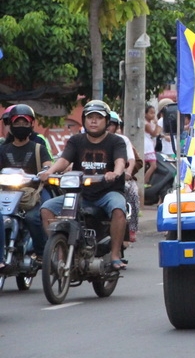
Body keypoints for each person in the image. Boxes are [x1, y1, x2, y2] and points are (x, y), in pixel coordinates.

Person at [39, 100, 128, 270]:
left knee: (119, 208)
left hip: (107, 193)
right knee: (46, 208)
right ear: (84, 120)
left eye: (98, 118)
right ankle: (59, 249)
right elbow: (64, 160)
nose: (94, 121)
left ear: (107, 121)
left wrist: (115, 173)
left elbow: (120, 161)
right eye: (90, 117)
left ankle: (116, 254)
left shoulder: (116, 141)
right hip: (80, 194)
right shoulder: (76, 140)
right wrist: (49, 172)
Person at [0, 104, 52, 270]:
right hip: (7, 192)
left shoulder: (39, 148)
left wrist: (45, 171)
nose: (21, 127)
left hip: (34, 192)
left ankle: (42, 253)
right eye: (17, 123)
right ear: (11, 125)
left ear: (32, 124)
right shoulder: (3, 149)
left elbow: (48, 165)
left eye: (25, 123)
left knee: (34, 217)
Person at [108, 111, 140, 243]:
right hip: (92, 180)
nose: (107, 126)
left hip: (117, 178)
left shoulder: (122, 140)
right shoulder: (84, 138)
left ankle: (131, 228)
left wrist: (127, 173)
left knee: (132, 192)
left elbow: (131, 160)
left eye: (111, 124)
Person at [143, 103, 161, 185]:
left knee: (147, 164)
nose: (153, 115)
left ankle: (145, 181)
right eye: (151, 113)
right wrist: (158, 124)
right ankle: (145, 181)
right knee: (153, 165)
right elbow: (154, 134)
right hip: (147, 145)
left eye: (154, 113)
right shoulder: (146, 124)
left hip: (148, 143)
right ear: (145, 114)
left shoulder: (149, 123)